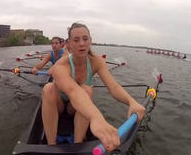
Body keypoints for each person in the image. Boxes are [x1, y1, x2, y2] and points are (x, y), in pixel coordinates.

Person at [42, 22, 146, 152]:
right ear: (69, 43)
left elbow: (113, 87)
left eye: (85, 39)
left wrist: (132, 102)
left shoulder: (96, 61)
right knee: (48, 88)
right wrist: (96, 118)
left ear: (90, 41)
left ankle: (77, 144)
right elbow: (73, 91)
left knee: (87, 89)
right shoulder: (61, 65)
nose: (81, 43)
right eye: (76, 40)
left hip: (73, 108)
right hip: (60, 105)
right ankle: (51, 147)